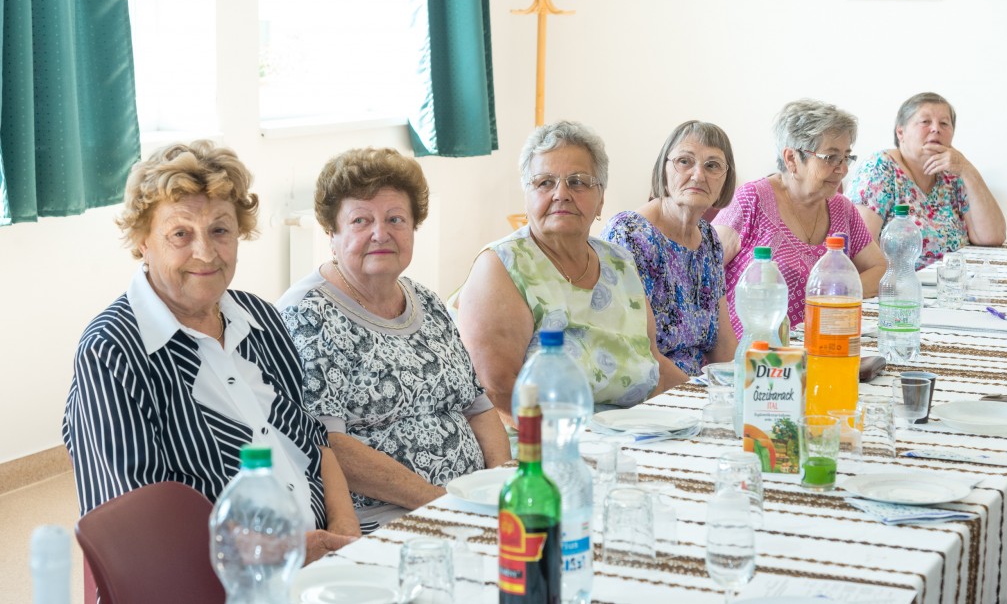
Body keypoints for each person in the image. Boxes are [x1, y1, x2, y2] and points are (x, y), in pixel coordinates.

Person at [63, 141, 360, 566]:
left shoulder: (260, 317)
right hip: (218, 582)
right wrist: (284, 555)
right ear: (143, 240)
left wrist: (345, 535)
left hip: (324, 558)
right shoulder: (113, 350)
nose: (204, 253)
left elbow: (315, 443)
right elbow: (134, 529)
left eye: (220, 230)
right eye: (180, 234)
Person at [277, 148, 511, 528]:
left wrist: (500, 487)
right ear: (331, 233)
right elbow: (329, 446)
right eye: (361, 220)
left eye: (395, 219)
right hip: (386, 518)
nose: (380, 233)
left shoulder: (427, 301)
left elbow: (478, 408)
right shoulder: (308, 314)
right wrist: (443, 504)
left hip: (470, 503)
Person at [453, 120, 690, 425]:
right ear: (527, 197)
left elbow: (653, 361)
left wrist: (702, 400)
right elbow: (497, 390)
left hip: (631, 432)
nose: (561, 194)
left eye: (578, 182)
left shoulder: (619, 262)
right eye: (544, 182)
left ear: (601, 199)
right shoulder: (502, 265)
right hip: (544, 438)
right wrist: (575, 442)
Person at [713, 99, 887, 334]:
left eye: (846, 157)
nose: (843, 169)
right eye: (831, 157)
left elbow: (879, 268)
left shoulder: (842, 209)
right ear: (792, 159)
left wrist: (831, 295)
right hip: (756, 346)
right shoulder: (752, 200)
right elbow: (705, 271)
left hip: (823, 341)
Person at [601, 120, 738, 376]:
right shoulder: (630, 234)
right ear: (663, 169)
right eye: (684, 161)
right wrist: (702, 393)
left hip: (696, 386)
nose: (698, 175)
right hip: (648, 386)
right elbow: (638, 354)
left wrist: (741, 386)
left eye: (712, 165)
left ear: (726, 179)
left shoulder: (709, 239)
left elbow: (723, 343)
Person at [847, 92, 1005, 268]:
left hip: (953, 278)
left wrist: (967, 169)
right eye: (925, 122)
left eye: (944, 123)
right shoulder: (880, 167)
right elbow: (862, 248)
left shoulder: (953, 174)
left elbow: (992, 237)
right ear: (901, 132)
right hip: (902, 281)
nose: (936, 129)